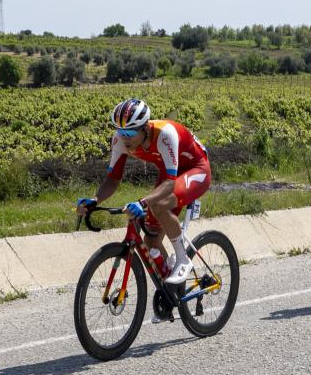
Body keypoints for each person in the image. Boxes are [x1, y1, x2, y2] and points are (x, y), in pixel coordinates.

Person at [76, 98, 211, 286]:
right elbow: (113, 179)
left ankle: (182, 259)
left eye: (130, 132)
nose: (125, 137)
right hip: (169, 172)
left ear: (145, 128)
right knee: (151, 241)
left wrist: (142, 203)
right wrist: (94, 200)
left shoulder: (165, 134)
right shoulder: (120, 141)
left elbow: (170, 185)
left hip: (195, 169)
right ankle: (170, 293)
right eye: (121, 131)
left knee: (159, 205)